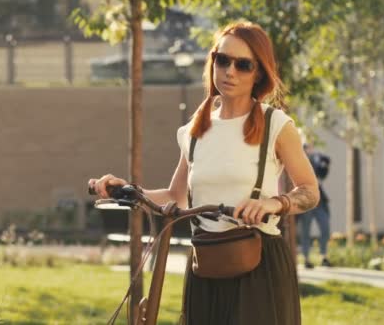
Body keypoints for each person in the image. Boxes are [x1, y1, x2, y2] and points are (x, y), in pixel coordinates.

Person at [88, 21, 319, 325]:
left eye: (243, 64)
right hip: (206, 263)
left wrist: (273, 203)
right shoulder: (195, 130)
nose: (229, 71)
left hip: (258, 265)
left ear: (259, 72)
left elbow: (309, 191)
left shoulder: (275, 124)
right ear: (212, 62)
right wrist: (125, 190)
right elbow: (175, 196)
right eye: (222, 60)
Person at [298, 143, 332, 268]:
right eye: (306, 147)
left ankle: (324, 256)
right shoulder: (298, 159)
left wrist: (324, 163)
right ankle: (306, 258)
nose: (309, 149)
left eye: (310, 147)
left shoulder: (318, 159)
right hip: (306, 201)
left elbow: (323, 172)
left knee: (325, 228)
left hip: (320, 202)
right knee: (305, 230)